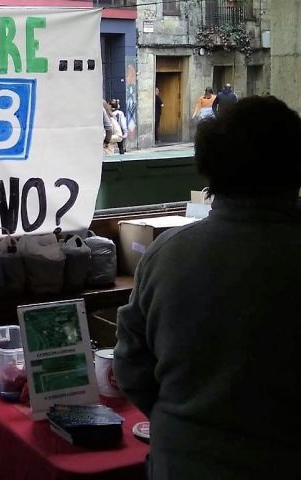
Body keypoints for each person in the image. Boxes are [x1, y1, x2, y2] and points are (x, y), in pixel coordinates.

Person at [113, 96, 301, 479]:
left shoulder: (166, 253)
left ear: (209, 168)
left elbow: (130, 366)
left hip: (181, 461)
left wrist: (182, 420)